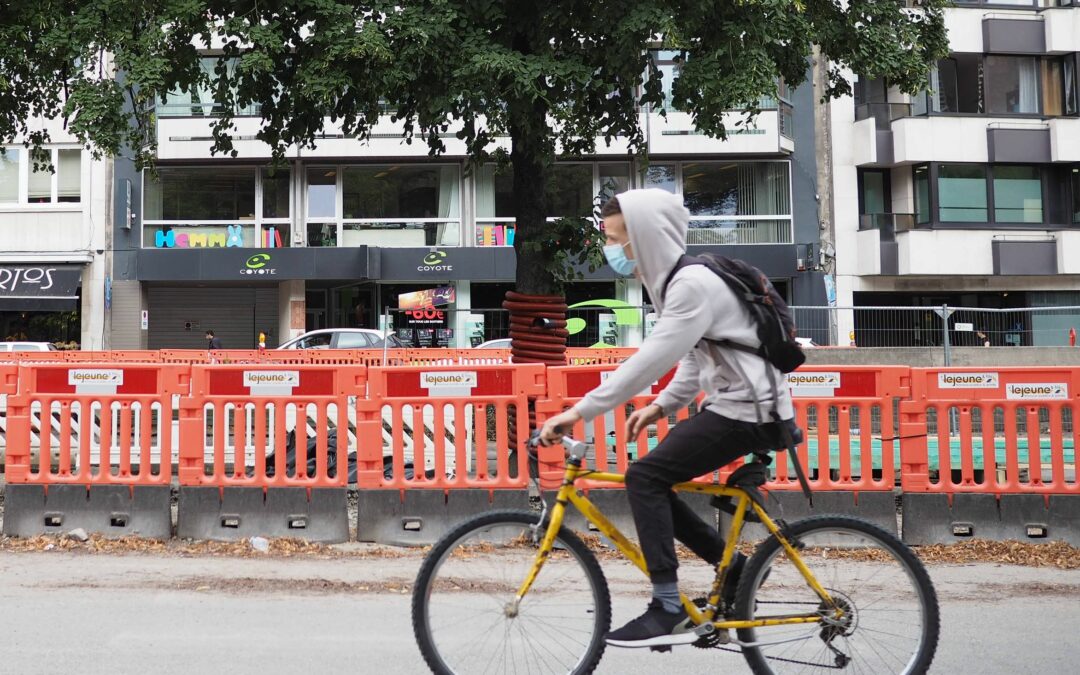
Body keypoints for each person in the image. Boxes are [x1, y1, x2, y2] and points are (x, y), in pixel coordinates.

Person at [539, 189, 798, 649]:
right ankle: (734, 570)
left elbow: (650, 361)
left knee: (644, 478)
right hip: (741, 405)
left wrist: (579, 412)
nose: (612, 251)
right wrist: (662, 407)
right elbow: (696, 359)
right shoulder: (681, 282)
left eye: (619, 240)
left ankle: (668, 605)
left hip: (750, 411)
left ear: (647, 238)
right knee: (652, 479)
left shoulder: (690, 284)